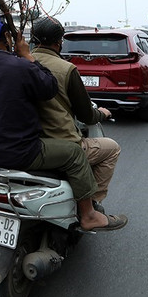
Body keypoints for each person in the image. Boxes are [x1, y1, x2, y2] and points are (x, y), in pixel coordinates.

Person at [0, 12, 114, 231]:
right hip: (20, 152)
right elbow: (49, 87)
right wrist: (27, 56)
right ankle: (89, 215)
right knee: (74, 153)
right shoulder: (20, 66)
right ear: (6, 37)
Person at [30, 17, 128, 230]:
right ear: (59, 42)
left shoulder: (19, 65)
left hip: (23, 142)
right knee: (111, 148)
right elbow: (86, 115)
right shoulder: (66, 69)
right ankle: (92, 207)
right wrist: (101, 113)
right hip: (59, 144)